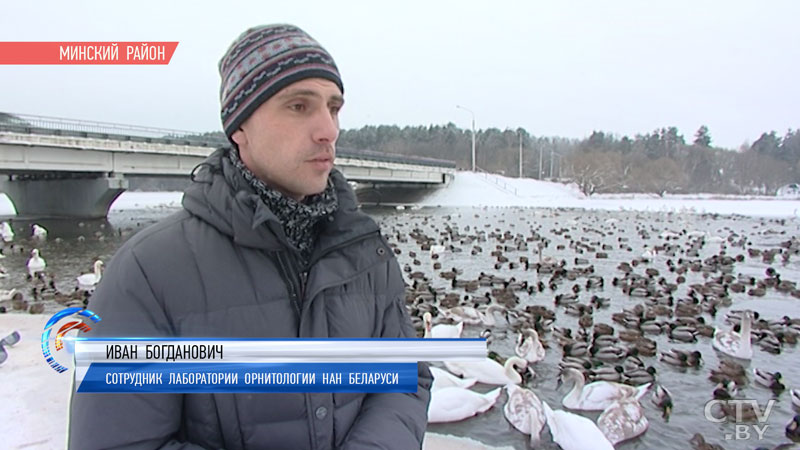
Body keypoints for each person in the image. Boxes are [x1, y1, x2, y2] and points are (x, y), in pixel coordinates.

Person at [68, 23, 432, 449]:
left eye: (333, 108)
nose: (328, 130)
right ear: (239, 127)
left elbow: (405, 379)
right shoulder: (148, 273)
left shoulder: (367, 252)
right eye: (299, 106)